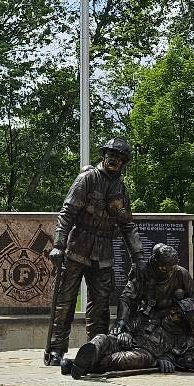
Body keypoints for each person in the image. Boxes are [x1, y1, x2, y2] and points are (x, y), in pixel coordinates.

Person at [43, 136, 144, 366]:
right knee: (64, 301)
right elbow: (67, 213)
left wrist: (138, 257)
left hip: (103, 251)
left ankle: (96, 348)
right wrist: (58, 245)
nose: (113, 160)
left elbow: (127, 225)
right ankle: (56, 348)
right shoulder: (87, 178)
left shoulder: (121, 189)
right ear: (104, 156)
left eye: (119, 158)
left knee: (100, 304)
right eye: (111, 155)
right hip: (77, 246)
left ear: (124, 162)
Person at [60, 242, 194, 378]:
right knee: (106, 339)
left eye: (171, 268)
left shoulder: (181, 277)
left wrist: (169, 356)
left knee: (126, 360)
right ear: (154, 261)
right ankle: (91, 351)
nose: (168, 271)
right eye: (163, 268)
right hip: (139, 329)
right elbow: (128, 299)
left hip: (151, 350)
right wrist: (124, 328)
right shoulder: (143, 273)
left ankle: (77, 364)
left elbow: (193, 313)